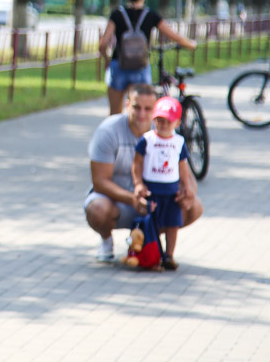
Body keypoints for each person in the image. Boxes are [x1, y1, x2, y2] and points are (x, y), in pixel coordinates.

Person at [85, 84, 203, 262]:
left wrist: (190, 191)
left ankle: (148, 242)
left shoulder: (165, 131)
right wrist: (132, 198)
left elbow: (184, 171)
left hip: (155, 201)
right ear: (127, 105)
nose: (142, 114)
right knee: (97, 209)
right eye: (136, 107)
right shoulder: (108, 131)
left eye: (148, 109)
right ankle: (106, 241)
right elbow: (99, 181)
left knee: (194, 207)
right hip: (118, 201)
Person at [99, 0, 196, 115]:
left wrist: (107, 60)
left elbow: (103, 44)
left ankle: (116, 137)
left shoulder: (117, 15)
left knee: (114, 115)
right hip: (140, 68)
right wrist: (191, 44)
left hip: (118, 66)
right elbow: (173, 36)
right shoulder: (151, 15)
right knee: (140, 114)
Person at [130, 96, 193, 271]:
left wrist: (186, 186)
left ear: (177, 122)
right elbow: (136, 164)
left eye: (168, 121)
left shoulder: (179, 142)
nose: (163, 125)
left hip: (172, 190)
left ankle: (170, 256)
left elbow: (183, 167)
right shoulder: (147, 140)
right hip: (152, 189)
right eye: (159, 120)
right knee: (154, 224)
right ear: (154, 120)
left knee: (172, 224)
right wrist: (138, 184)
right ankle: (154, 257)